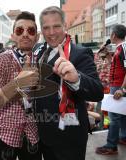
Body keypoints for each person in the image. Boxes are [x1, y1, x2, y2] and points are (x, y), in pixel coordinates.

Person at [34, 6, 104, 160]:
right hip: (45, 134)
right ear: (42, 30)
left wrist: (77, 78)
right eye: (46, 28)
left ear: (65, 26)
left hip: (69, 137)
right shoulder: (38, 51)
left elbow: (98, 92)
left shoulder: (80, 53)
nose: (51, 32)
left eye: (56, 26)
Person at [0, 11, 41, 160]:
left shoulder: (42, 59)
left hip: (32, 134)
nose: (25, 34)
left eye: (31, 30)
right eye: (20, 30)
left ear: (37, 36)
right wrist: (18, 83)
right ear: (13, 36)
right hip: (4, 136)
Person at [96, 24, 126, 155]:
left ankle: (111, 145)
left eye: (111, 34)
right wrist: (107, 55)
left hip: (119, 86)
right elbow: (115, 65)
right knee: (122, 114)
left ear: (114, 35)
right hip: (116, 85)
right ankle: (124, 137)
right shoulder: (119, 49)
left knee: (114, 117)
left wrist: (123, 89)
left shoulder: (124, 48)